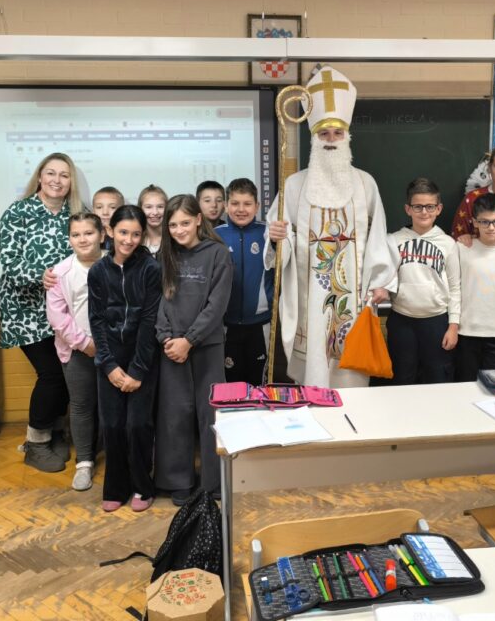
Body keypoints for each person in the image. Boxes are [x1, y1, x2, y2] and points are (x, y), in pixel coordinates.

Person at [266, 66, 398, 388]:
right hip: (309, 296)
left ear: (346, 138)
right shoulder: (294, 185)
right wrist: (277, 239)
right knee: (314, 372)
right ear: (314, 139)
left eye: (337, 134)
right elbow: (277, 238)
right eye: (323, 134)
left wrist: (381, 282)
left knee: (351, 376)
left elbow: (378, 237)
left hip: (355, 298)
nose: (330, 140)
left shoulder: (365, 183)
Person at [0, 152, 85, 472]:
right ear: (39, 176)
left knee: (65, 375)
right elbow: (9, 262)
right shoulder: (18, 212)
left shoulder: (74, 215)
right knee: (51, 375)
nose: (56, 180)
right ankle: (35, 444)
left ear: (71, 181)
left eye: (64, 175)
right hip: (25, 312)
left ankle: (55, 434)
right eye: (51, 173)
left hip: (62, 312)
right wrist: (40, 276)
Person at [155, 194, 233, 504]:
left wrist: (190, 340)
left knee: (210, 414)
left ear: (199, 220)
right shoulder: (165, 255)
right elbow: (159, 302)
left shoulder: (217, 253)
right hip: (171, 348)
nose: (179, 230)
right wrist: (167, 338)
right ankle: (178, 480)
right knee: (175, 413)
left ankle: (212, 482)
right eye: (173, 225)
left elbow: (217, 304)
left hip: (206, 345)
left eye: (185, 223)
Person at [88, 205, 163, 512]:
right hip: (109, 359)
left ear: (142, 235)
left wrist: (137, 370)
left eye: (135, 234)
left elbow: (149, 321)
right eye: (122, 232)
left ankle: (143, 487)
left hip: (142, 357)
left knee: (137, 425)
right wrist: (109, 366)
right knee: (113, 425)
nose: (128, 240)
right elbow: (96, 320)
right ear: (110, 231)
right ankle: (116, 488)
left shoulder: (150, 269)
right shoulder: (98, 271)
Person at [372, 177, 460, 386]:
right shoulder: (393, 240)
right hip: (402, 321)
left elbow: (455, 287)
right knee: (402, 378)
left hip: (437, 321)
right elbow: (383, 277)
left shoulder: (448, 243)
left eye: (430, 206)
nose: (424, 212)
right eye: (418, 207)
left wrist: (453, 326)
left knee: (437, 378)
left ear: (439, 209)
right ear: (408, 209)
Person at [45, 212, 104, 491]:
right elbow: (58, 318)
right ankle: (84, 462)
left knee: (112, 405)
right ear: (69, 239)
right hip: (78, 350)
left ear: (102, 235)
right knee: (81, 406)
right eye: (76, 234)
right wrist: (85, 344)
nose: (82, 239)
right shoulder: (60, 273)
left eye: (88, 233)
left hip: (114, 349)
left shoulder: (116, 263)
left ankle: (118, 457)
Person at [215, 178, 274, 386]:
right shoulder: (215, 236)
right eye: (235, 203)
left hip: (260, 324)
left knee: (259, 383)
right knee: (230, 384)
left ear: (257, 206)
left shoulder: (269, 234)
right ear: (225, 205)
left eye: (247, 204)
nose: (241, 209)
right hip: (225, 325)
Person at [455, 193, 495, 381]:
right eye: (484, 222)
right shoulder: (461, 248)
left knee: (494, 384)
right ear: (475, 222)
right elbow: (454, 286)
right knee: (465, 383)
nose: (491, 227)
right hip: (466, 329)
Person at [92, 186, 125, 252]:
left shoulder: (126, 234)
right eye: (99, 207)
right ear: (93, 210)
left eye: (112, 207)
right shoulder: (88, 233)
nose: (105, 212)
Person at [138, 184, 168, 256]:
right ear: (140, 209)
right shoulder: (136, 240)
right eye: (148, 207)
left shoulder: (174, 238)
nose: (155, 212)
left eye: (160, 207)